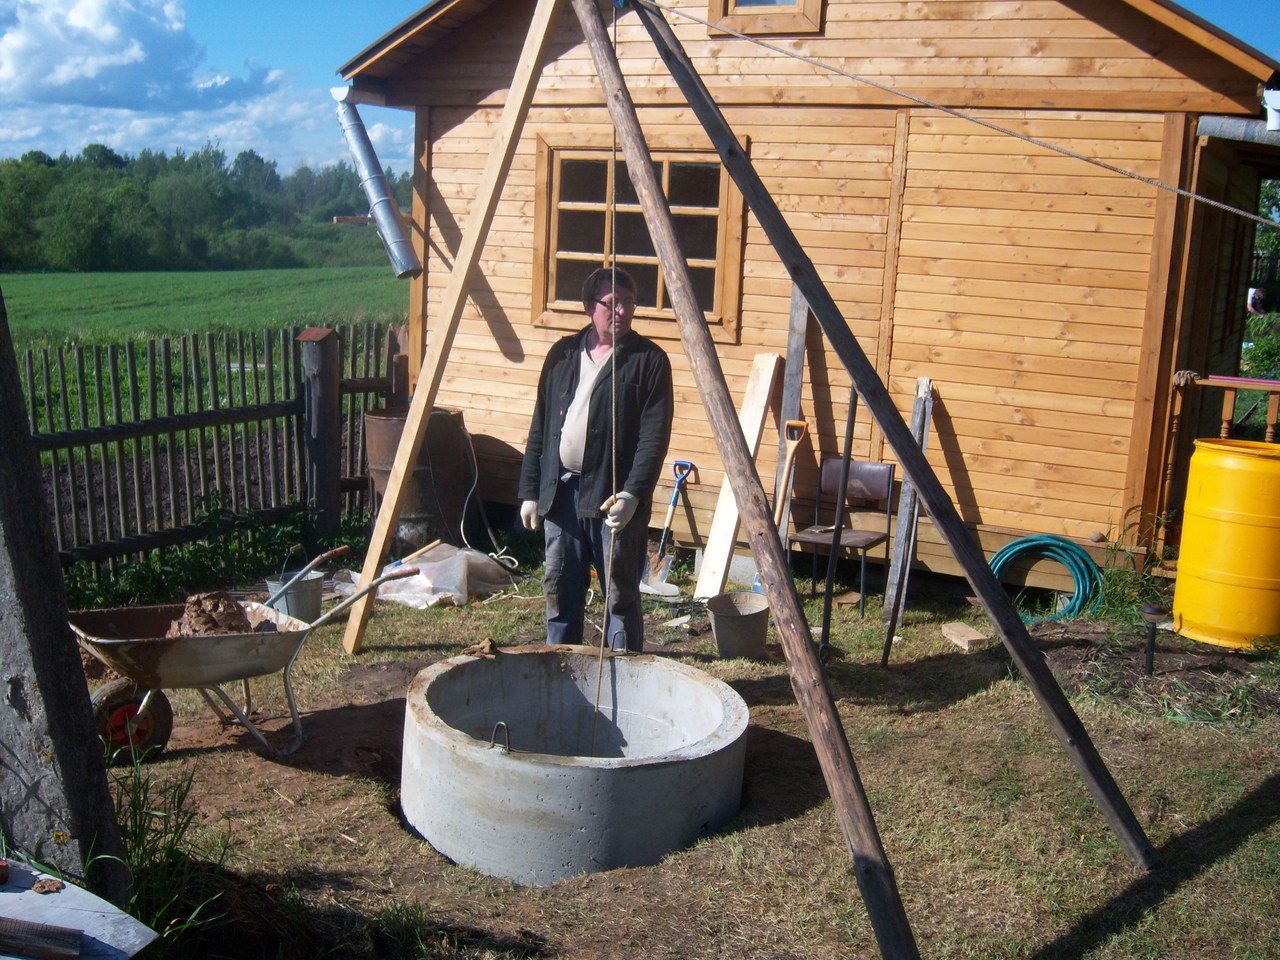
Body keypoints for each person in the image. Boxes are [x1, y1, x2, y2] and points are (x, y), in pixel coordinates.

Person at [518, 267, 673, 652]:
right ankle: (561, 673)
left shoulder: (649, 361)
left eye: (628, 304)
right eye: (611, 303)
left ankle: (627, 680)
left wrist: (634, 494)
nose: (620, 311)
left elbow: (653, 439)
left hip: (611, 499)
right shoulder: (563, 354)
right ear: (590, 306)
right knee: (560, 593)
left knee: (620, 598)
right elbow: (541, 426)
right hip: (561, 495)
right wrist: (530, 490)